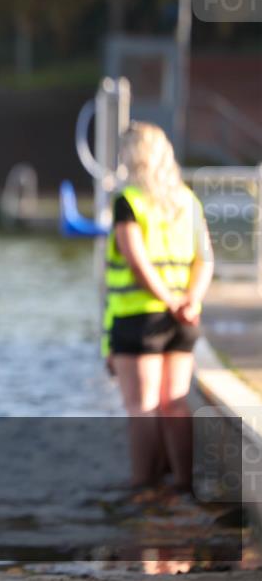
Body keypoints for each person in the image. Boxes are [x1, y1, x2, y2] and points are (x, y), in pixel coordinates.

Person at [104, 122, 213, 495]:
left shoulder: (129, 201)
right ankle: (183, 484)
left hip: (140, 319)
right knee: (175, 403)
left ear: (132, 156)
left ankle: (142, 489)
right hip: (183, 320)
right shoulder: (188, 200)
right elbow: (206, 260)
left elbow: (137, 262)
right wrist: (190, 301)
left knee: (143, 406)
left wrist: (167, 301)